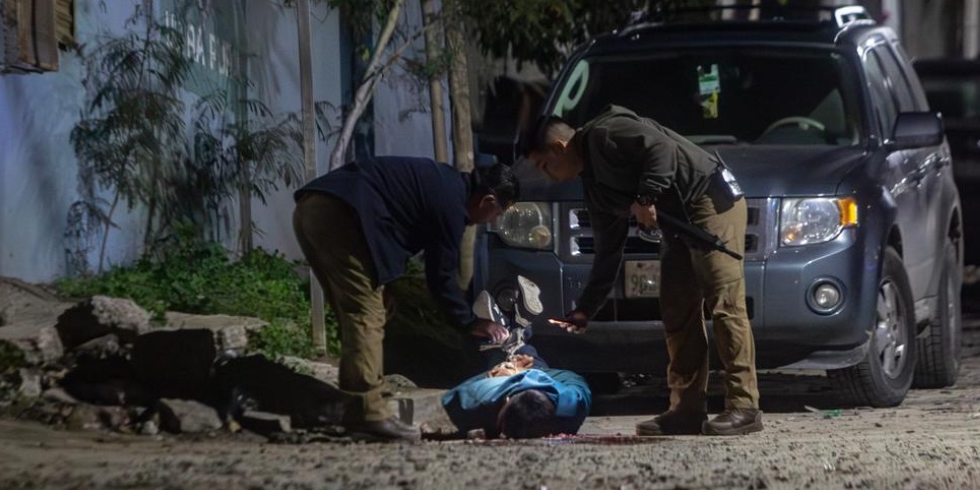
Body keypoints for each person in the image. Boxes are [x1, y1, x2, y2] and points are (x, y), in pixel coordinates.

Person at [525, 106, 762, 436]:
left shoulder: (606, 131)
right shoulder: (594, 185)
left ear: (559, 148)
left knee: (724, 302)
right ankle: (686, 409)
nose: (546, 174)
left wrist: (645, 196)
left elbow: (661, 148)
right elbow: (608, 252)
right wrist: (584, 309)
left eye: (544, 164)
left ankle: (744, 407)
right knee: (676, 310)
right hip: (676, 223)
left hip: (709, 200)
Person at [293, 158, 518, 441]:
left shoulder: (446, 185)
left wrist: (384, 283)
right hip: (340, 214)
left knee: (357, 311)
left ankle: (357, 403)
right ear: (487, 201)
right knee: (366, 315)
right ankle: (368, 415)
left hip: (314, 208)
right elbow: (441, 275)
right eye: (498, 213)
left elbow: (386, 220)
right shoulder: (450, 204)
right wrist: (470, 322)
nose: (493, 221)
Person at [441, 348, 592, 438]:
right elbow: (575, 379)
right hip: (547, 378)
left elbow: (453, 395)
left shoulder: (473, 405)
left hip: (504, 378)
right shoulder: (572, 405)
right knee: (527, 354)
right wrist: (519, 372)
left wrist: (501, 371)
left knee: (500, 354)